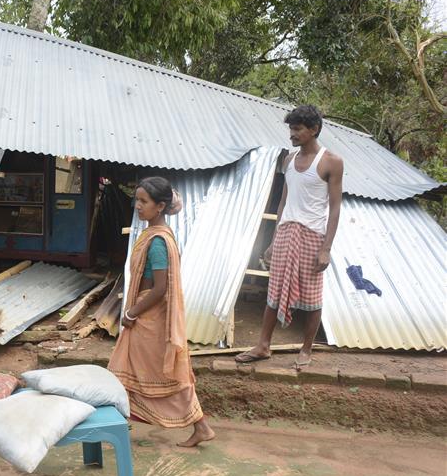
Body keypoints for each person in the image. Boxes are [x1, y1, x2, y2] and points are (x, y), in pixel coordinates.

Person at [108, 177, 215, 447]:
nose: (137, 206)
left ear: (160, 206)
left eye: (144, 201)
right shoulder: (150, 235)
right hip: (145, 316)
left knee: (164, 376)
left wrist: (132, 313)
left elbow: (160, 288)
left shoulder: (157, 241)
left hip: (148, 318)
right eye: (137, 200)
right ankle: (119, 423)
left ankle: (200, 425)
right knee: (129, 371)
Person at [235, 105, 343, 368]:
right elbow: (283, 201)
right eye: (291, 129)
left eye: (297, 129)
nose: (292, 134)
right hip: (286, 233)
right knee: (275, 290)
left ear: (314, 129)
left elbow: (335, 206)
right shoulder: (288, 160)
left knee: (312, 295)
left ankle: (306, 349)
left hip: (312, 235)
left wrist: (326, 248)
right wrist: (274, 239)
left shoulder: (331, 161)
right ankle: (263, 345)